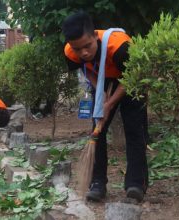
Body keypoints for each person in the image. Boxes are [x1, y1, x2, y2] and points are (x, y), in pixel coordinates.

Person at [62, 11, 148, 202]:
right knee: (97, 133)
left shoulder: (119, 47)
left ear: (95, 35)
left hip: (131, 80)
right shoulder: (70, 51)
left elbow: (131, 77)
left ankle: (135, 184)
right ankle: (97, 183)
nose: (83, 52)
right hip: (101, 79)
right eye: (78, 49)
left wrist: (109, 103)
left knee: (134, 130)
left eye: (87, 46)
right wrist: (99, 93)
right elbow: (87, 70)